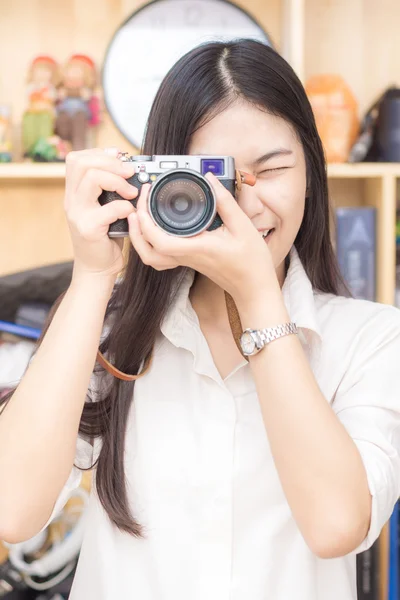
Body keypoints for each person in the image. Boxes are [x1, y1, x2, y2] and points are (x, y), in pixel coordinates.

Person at [1, 40, 400, 600]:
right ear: (163, 183)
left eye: (272, 169)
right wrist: (93, 276)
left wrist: (259, 294)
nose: (244, 204)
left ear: (311, 169)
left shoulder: (372, 339)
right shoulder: (110, 336)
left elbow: (337, 526)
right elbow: (11, 510)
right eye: (215, 177)